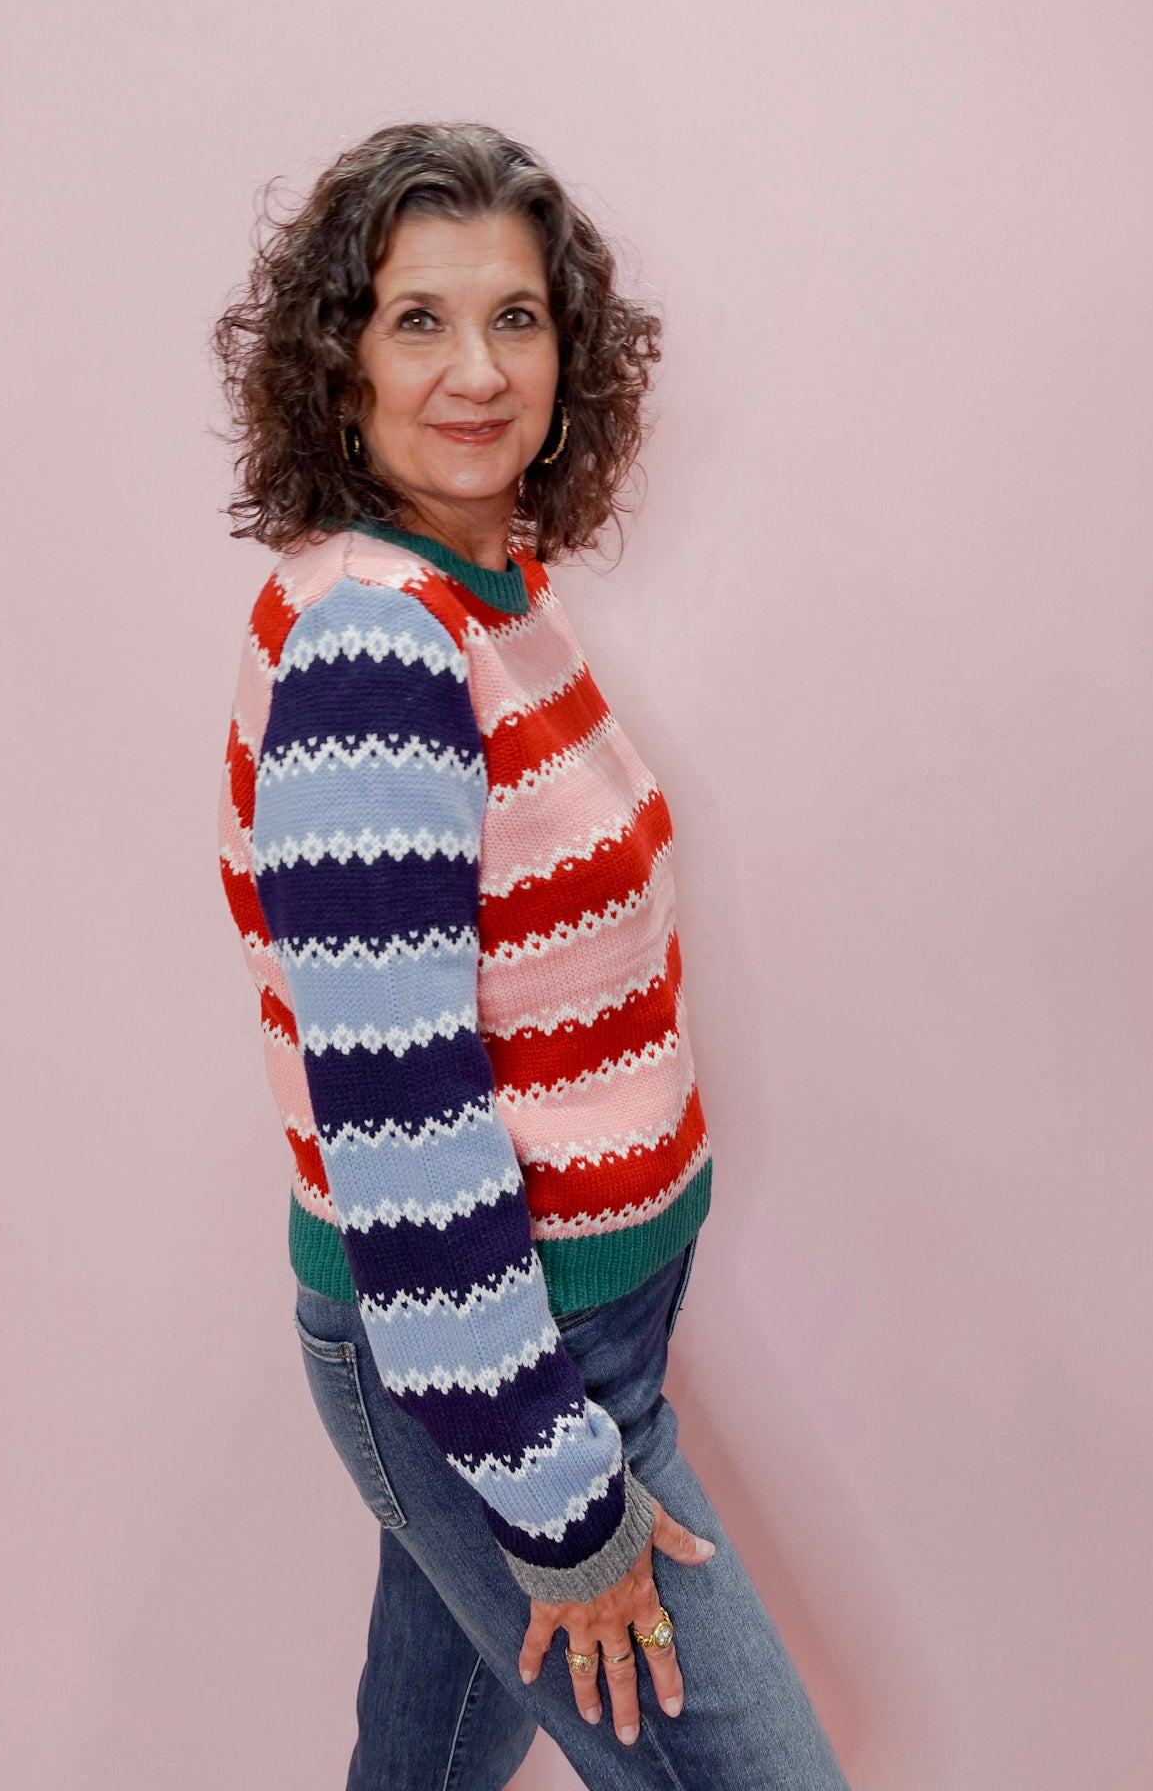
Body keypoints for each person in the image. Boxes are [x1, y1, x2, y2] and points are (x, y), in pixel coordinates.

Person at [215, 122, 850, 1789]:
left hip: (560, 1340)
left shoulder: (485, 588)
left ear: (571, 352)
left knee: (416, 1767)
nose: (474, 370)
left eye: (516, 318)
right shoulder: (375, 648)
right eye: (417, 320)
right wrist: (561, 1491)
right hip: (495, 1365)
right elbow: (403, 1133)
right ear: (336, 360)